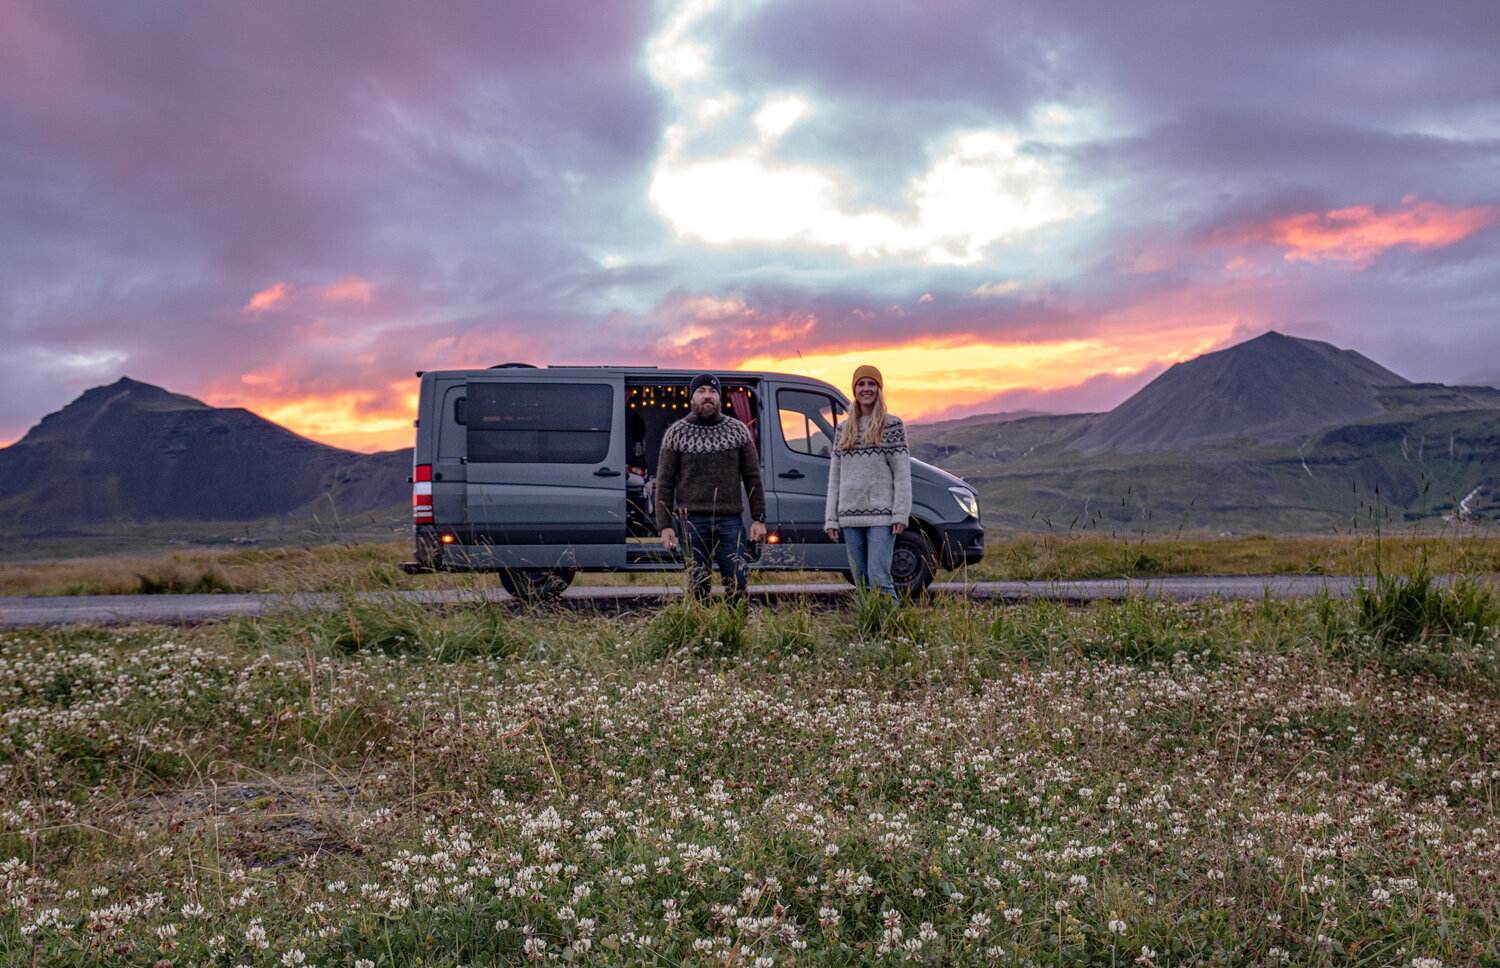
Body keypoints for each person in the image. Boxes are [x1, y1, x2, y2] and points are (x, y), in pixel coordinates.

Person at [657, 373, 768, 601]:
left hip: (730, 522)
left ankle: (735, 633)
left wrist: (759, 518)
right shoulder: (676, 433)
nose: (707, 396)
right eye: (701, 391)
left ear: (719, 397)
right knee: (698, 586)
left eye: (712, 391)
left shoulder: (738, 431)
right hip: (692, 521)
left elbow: (753, 477)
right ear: (692, 397)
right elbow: (665, 482)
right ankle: (702, 635)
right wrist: (665, 525)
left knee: (737, 582)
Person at [824, 365, 911, 602]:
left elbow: (902, 474)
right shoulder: (843, 429)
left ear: (879, 389)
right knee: (860, 580)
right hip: (850, 516)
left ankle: (891, 633)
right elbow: (835, 476)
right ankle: (869, 631)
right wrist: (831, 518)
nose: (866, 389)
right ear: (854, 389)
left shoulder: (892, 426)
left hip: (882, 517)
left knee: (879, 578)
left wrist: (900, 514)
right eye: (861, 384)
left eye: (871, 384)